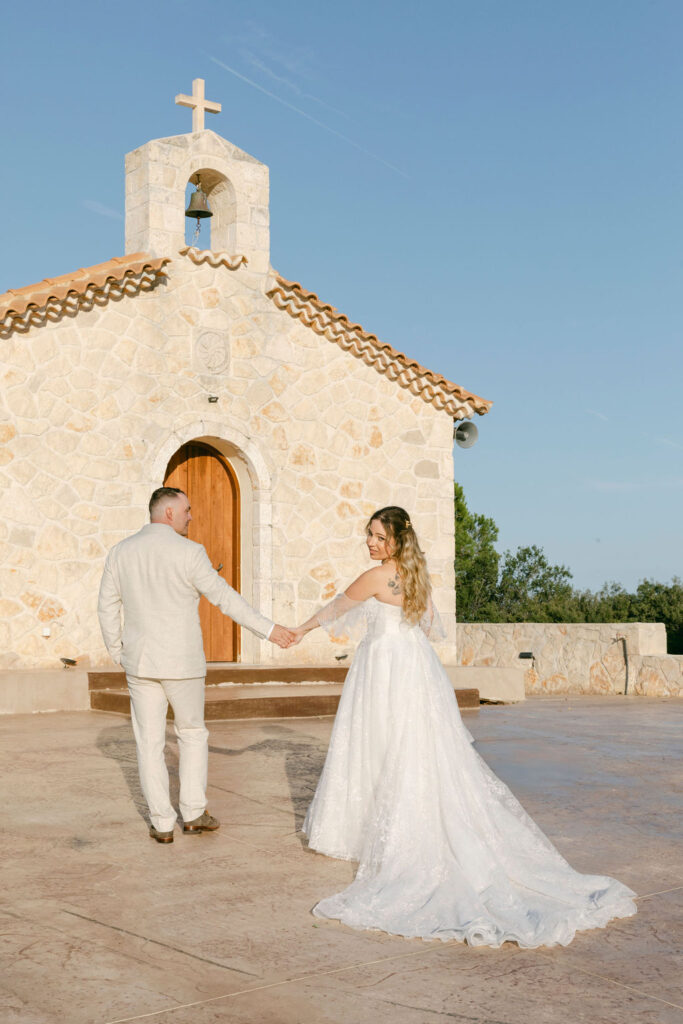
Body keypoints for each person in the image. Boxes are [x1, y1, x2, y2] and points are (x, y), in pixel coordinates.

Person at [292, 506, 636, 948]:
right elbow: (432, 625)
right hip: (414, 666)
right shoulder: (416, 576)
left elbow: (336, 608)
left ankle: (377, 830)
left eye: (377, 536)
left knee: (380, 744)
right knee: (412, 747)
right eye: (369, 536)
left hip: (384, 668)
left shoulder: (377, 577)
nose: (370, 543)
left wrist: (297, 631)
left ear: (395, 540)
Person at [98, 486, 295, 844]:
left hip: (139, 663)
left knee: (148, 743)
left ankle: (160, 822)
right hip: (183, 663)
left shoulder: (121, 552)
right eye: (187, 510)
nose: (191, 516)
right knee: (191, 735)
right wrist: (269, 630)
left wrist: (119, 651)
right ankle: (192, 814)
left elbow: (107, 606)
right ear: (169, 513)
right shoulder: (190, 552)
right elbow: (225, 599)